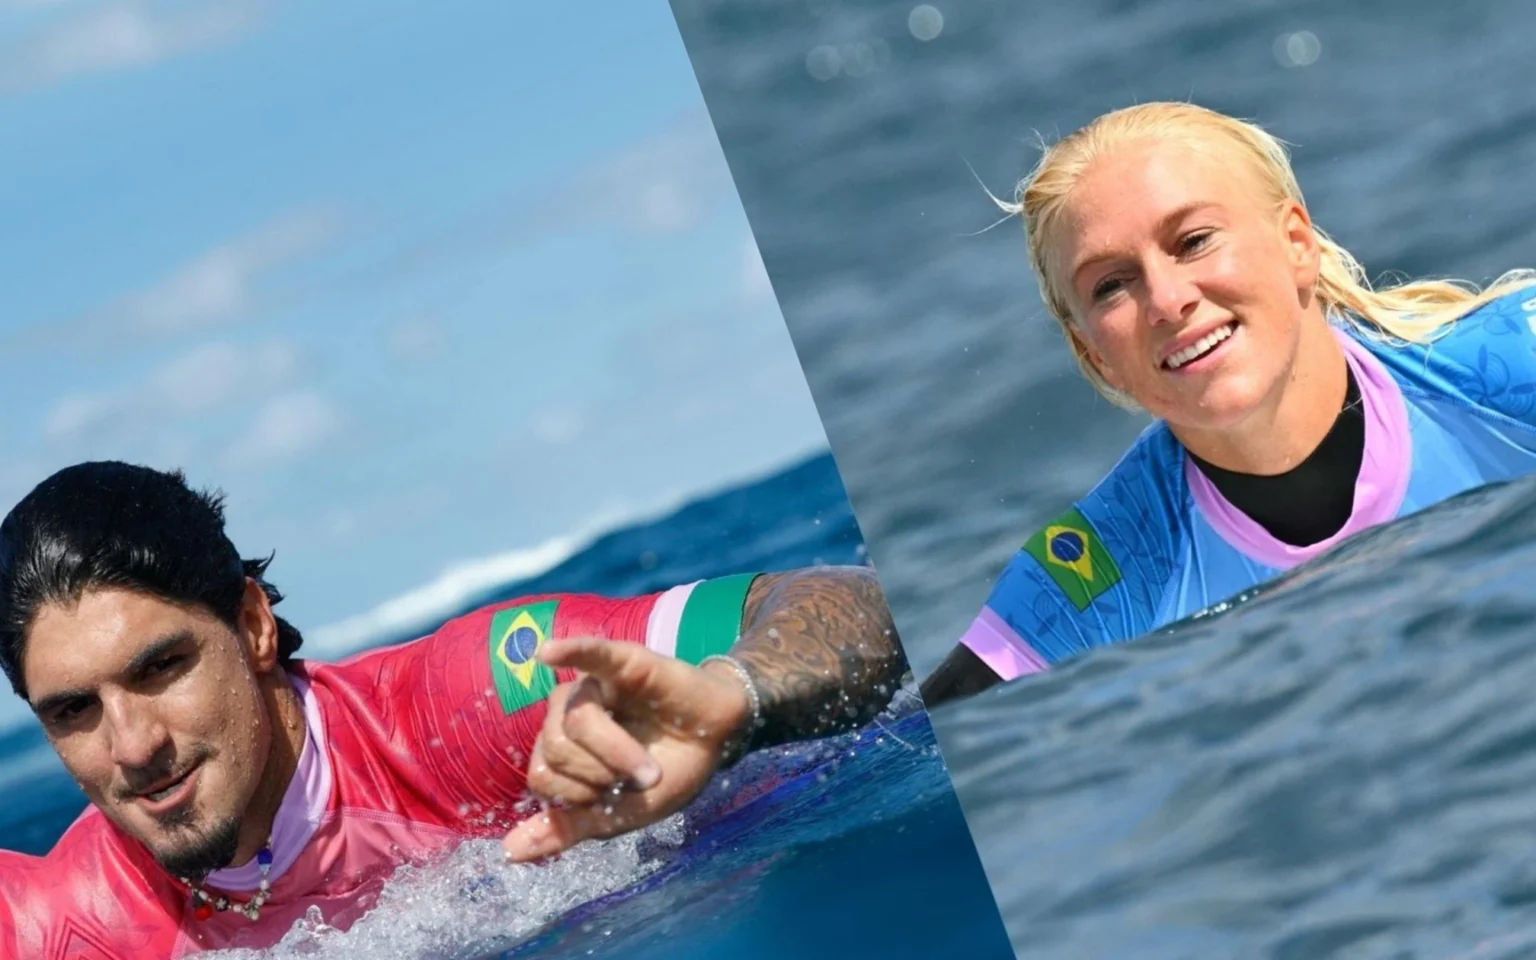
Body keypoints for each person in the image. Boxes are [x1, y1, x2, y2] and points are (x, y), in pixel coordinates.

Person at [0, 460, 908, 958]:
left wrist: (734, 697)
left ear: (252, 625)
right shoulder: (64, 925)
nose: (132, 745)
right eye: (74, 710)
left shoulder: (461, 706)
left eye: (160, 667)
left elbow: (855, 605)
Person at [921, 101, 1536, 705]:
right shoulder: (1090, 586)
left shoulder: (1507, 373)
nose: (1166, 300)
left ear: (1296, 243)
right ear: (1093, 355)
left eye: (1192, 242)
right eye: (1111, 285)